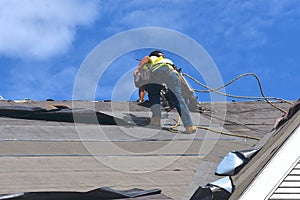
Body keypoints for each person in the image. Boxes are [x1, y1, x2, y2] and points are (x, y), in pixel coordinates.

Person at [134, 50, 196, 134]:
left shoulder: (153, 58)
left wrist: (137, 70)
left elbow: (146, 58)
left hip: (159, 71)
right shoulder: (168, 61)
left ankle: (156, 119)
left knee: (153, 93)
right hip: (172, 73)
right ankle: (189, 126)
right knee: (178, 99)